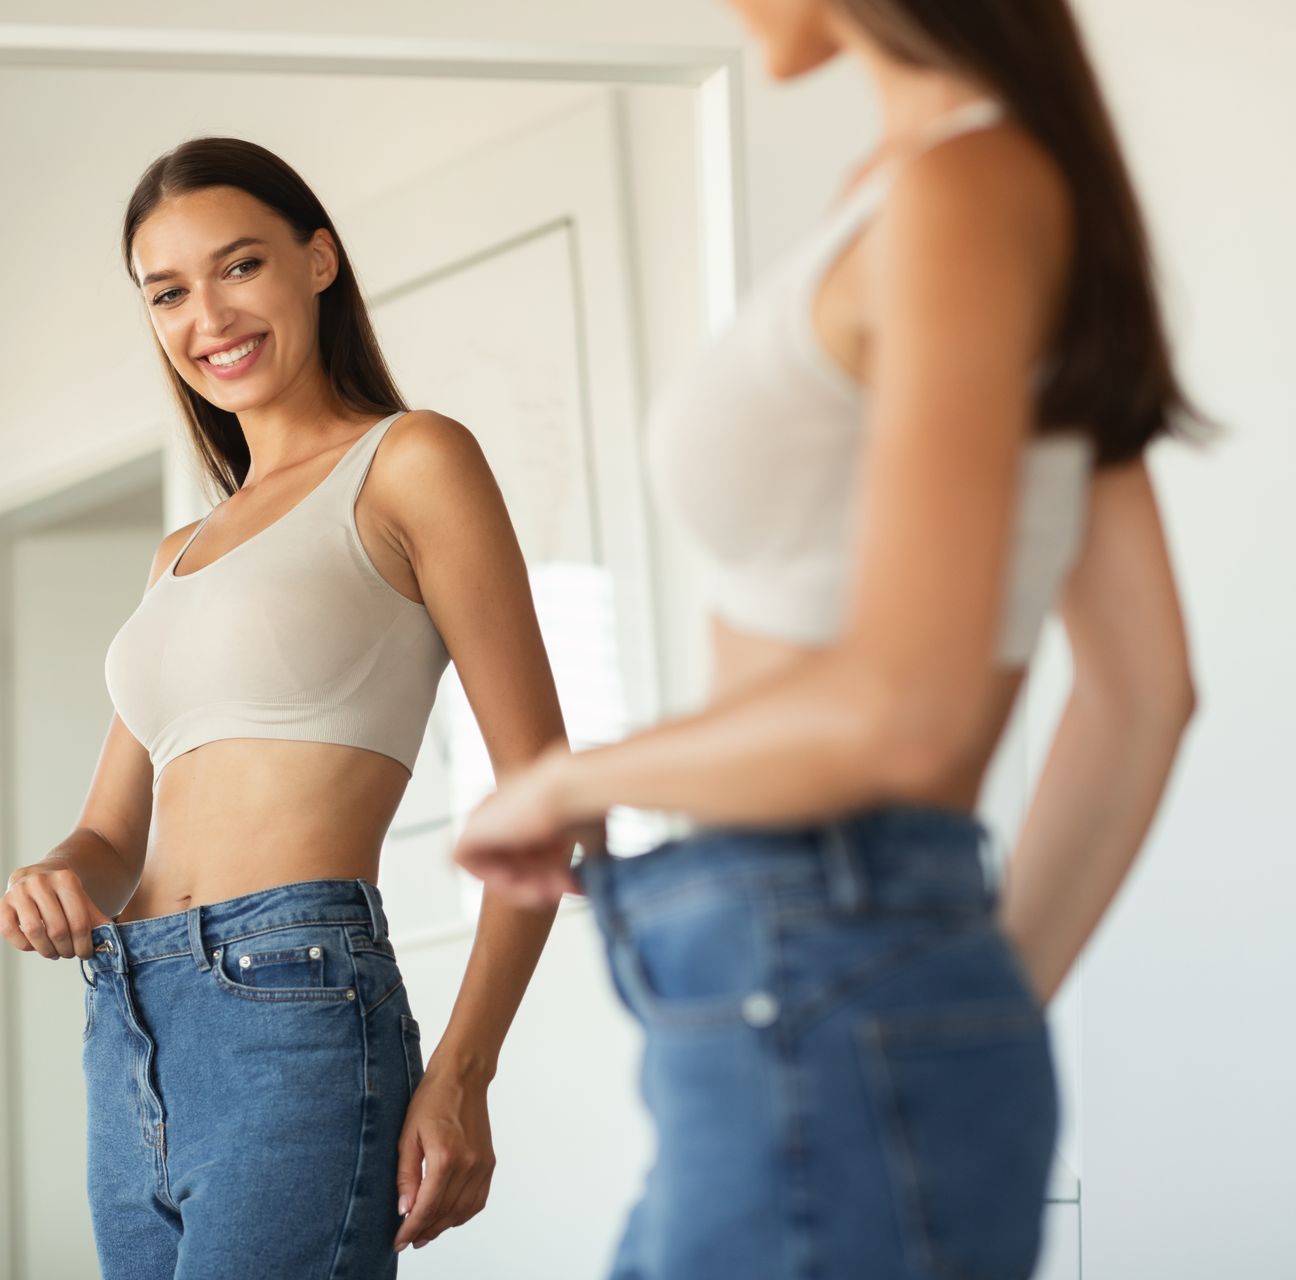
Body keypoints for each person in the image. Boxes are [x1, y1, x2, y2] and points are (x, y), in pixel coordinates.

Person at [450, 3, 1201, 1277]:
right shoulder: (958, 190)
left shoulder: (966, 188)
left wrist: (571, 777)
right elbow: (1143, 693)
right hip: (816, 985)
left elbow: (902, 707)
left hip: (813, 955)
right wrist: (955, 999)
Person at [0, 136, 573, 1277]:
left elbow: (547, 793)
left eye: (239, 266)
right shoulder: (180, 551)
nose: (207, 314)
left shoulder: (411, 462)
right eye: (167, 292)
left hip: (294, 996)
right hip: (130, 1015)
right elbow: (113, 836)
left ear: (318, 261)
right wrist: (51, 872)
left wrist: (463, 1069)